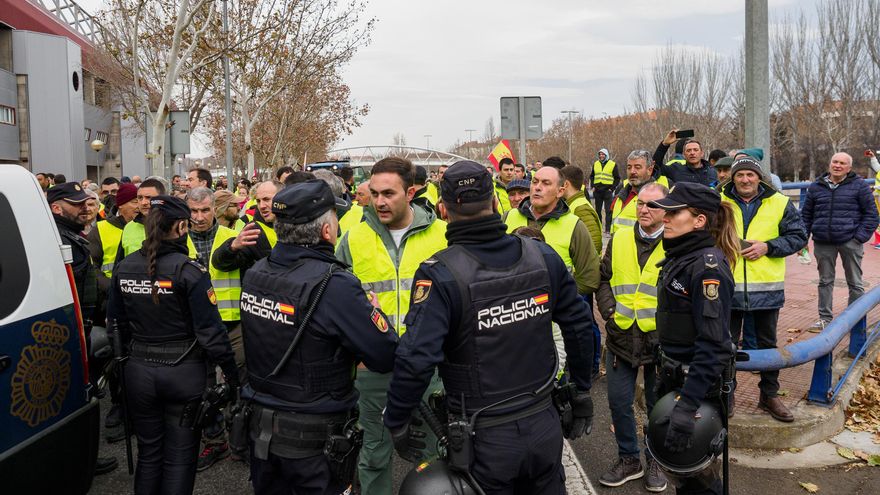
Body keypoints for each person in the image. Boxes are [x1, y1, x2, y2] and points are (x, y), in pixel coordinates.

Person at [384, 160, 595, 493]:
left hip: (484, 437)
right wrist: (581, 389)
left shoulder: (440, 274)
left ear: (443, 209)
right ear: (495, 203)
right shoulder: (542, 256)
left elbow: (416, 358)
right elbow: (581, 326)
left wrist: (396, 418)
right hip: (543, 422)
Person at [238, 180, 397, 494]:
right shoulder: (335, 285)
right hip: (314, 439)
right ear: (327, 232)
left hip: (262, 430)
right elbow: (384, 353)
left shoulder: (257, 272)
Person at [106, 195, 238, 494]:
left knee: (150, 454)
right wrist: (232, 375)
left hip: (139, 372)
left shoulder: (125, 267)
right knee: (179, 458)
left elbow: (116, 324)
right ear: (181, 226)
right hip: (183, 373)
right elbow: (211, 333)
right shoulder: (189, 270)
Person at [335, 157, 447, 494]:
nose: (380, 201)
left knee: (432, 456)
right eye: (374, 193)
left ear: (411, 192)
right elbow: (335, 302)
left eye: (389, 193)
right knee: (372, 456)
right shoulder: (353, 238)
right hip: (373, 371)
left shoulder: (442, 235)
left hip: (429, 368)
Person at [647, 182, 738, 495]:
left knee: (698, 479)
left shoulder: (705, 268)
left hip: (695, 390)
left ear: (699, 220)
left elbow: (714, 346)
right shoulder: (681, 256)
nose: (665, 218)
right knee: (685, 480)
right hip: (675, 380)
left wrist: (687, 407)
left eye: (674, 212)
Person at [720, 157, 807, 423]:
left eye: (750, 174)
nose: (745, 179)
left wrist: (767, 247)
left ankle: (769, 394)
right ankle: (727, 392)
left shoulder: (780, 202)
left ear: (759, 177)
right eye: (740, 175)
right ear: (732, 178)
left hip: (766, 289)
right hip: (726, 287)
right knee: (725, 345)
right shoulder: (718, 200)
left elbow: (799, 237)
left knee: (769, 346)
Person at [597, 182, 669, 491]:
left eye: (652, 205)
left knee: (658, 406)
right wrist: (609, 311)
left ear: (666, 210)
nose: (643, 209)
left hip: (659, 341)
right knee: (618, 401)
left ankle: (656, 460)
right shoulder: (621, 237)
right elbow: (603, 278)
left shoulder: (676, 242)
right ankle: (629, 459)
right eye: (641, 203)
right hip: (621, 335)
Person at [48, 182, 119, 476]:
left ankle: (81, 459)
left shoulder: (70, 235)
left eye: (86, 202)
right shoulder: (55, 238)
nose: (84, 208)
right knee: (72, 399)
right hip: (67, 332)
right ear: (56, 208)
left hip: (83, 326)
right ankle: (78, 463)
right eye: (75, 204)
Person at [801, 152, 879, 331]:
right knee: (825, 281)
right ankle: (824, 319)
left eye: (842, 163)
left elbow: (871, 215)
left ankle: (855, 319)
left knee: (855, 282)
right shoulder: (816, 187)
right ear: (830, 164)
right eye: (835, 162)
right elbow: (806, 215)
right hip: (822, 241)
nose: (837, 165)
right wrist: (803, 238)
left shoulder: (859, 186)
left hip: (849, 241)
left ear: (849, 168)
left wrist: (858, 237)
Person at [211, 180, 282, 279]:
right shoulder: (253, 231)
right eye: (258, 201)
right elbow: (221, 264)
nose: (261, 206)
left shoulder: (300, 226)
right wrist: (232, 247)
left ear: (283, 198)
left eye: (266, 199)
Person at [611, 150, 668, 234]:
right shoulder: (621, 191)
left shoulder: (658, 195)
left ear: (650, 170)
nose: (632, 171)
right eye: (629, 167)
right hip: (617, 244)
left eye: (637, 167)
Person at [652, 130, 718, 186]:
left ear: (702, 153)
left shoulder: (713, 172)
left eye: (695, 150)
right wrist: (664, 144)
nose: (692, 153)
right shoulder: (676, 170)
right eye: (688, 150)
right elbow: (655, 166)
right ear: (683, 155)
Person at [561, 165, 602, 253]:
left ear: (566, 184)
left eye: (559, 182)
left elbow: (594, 244)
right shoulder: (572, 204)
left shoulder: (581, 208)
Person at [591, 148, 620, 233]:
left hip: (608, 191)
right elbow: (592, 176)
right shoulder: (595, 164)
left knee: (608, 211)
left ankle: (607, 230)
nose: (601, 156)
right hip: (597, 191)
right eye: (600, 154)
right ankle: (599, 228)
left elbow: (617, 178)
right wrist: (593, 186)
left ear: (606, 155)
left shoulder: (613, 164)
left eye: (603, 154)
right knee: (598, 211)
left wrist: (612, 188)